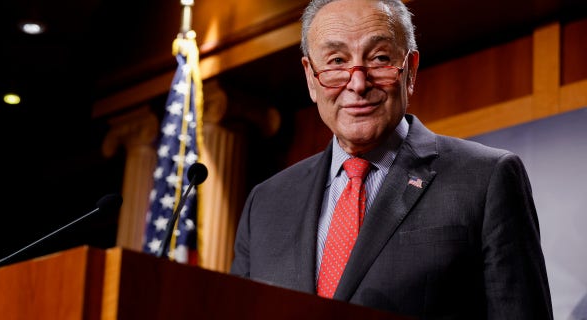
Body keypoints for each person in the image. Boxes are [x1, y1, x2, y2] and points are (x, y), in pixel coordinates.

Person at [229, 0, 554, 319]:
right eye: (337, 60)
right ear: (311, 78)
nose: (357, 83)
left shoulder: (485, 179)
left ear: (410, 70)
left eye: (380, 58)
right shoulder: (266, 204)